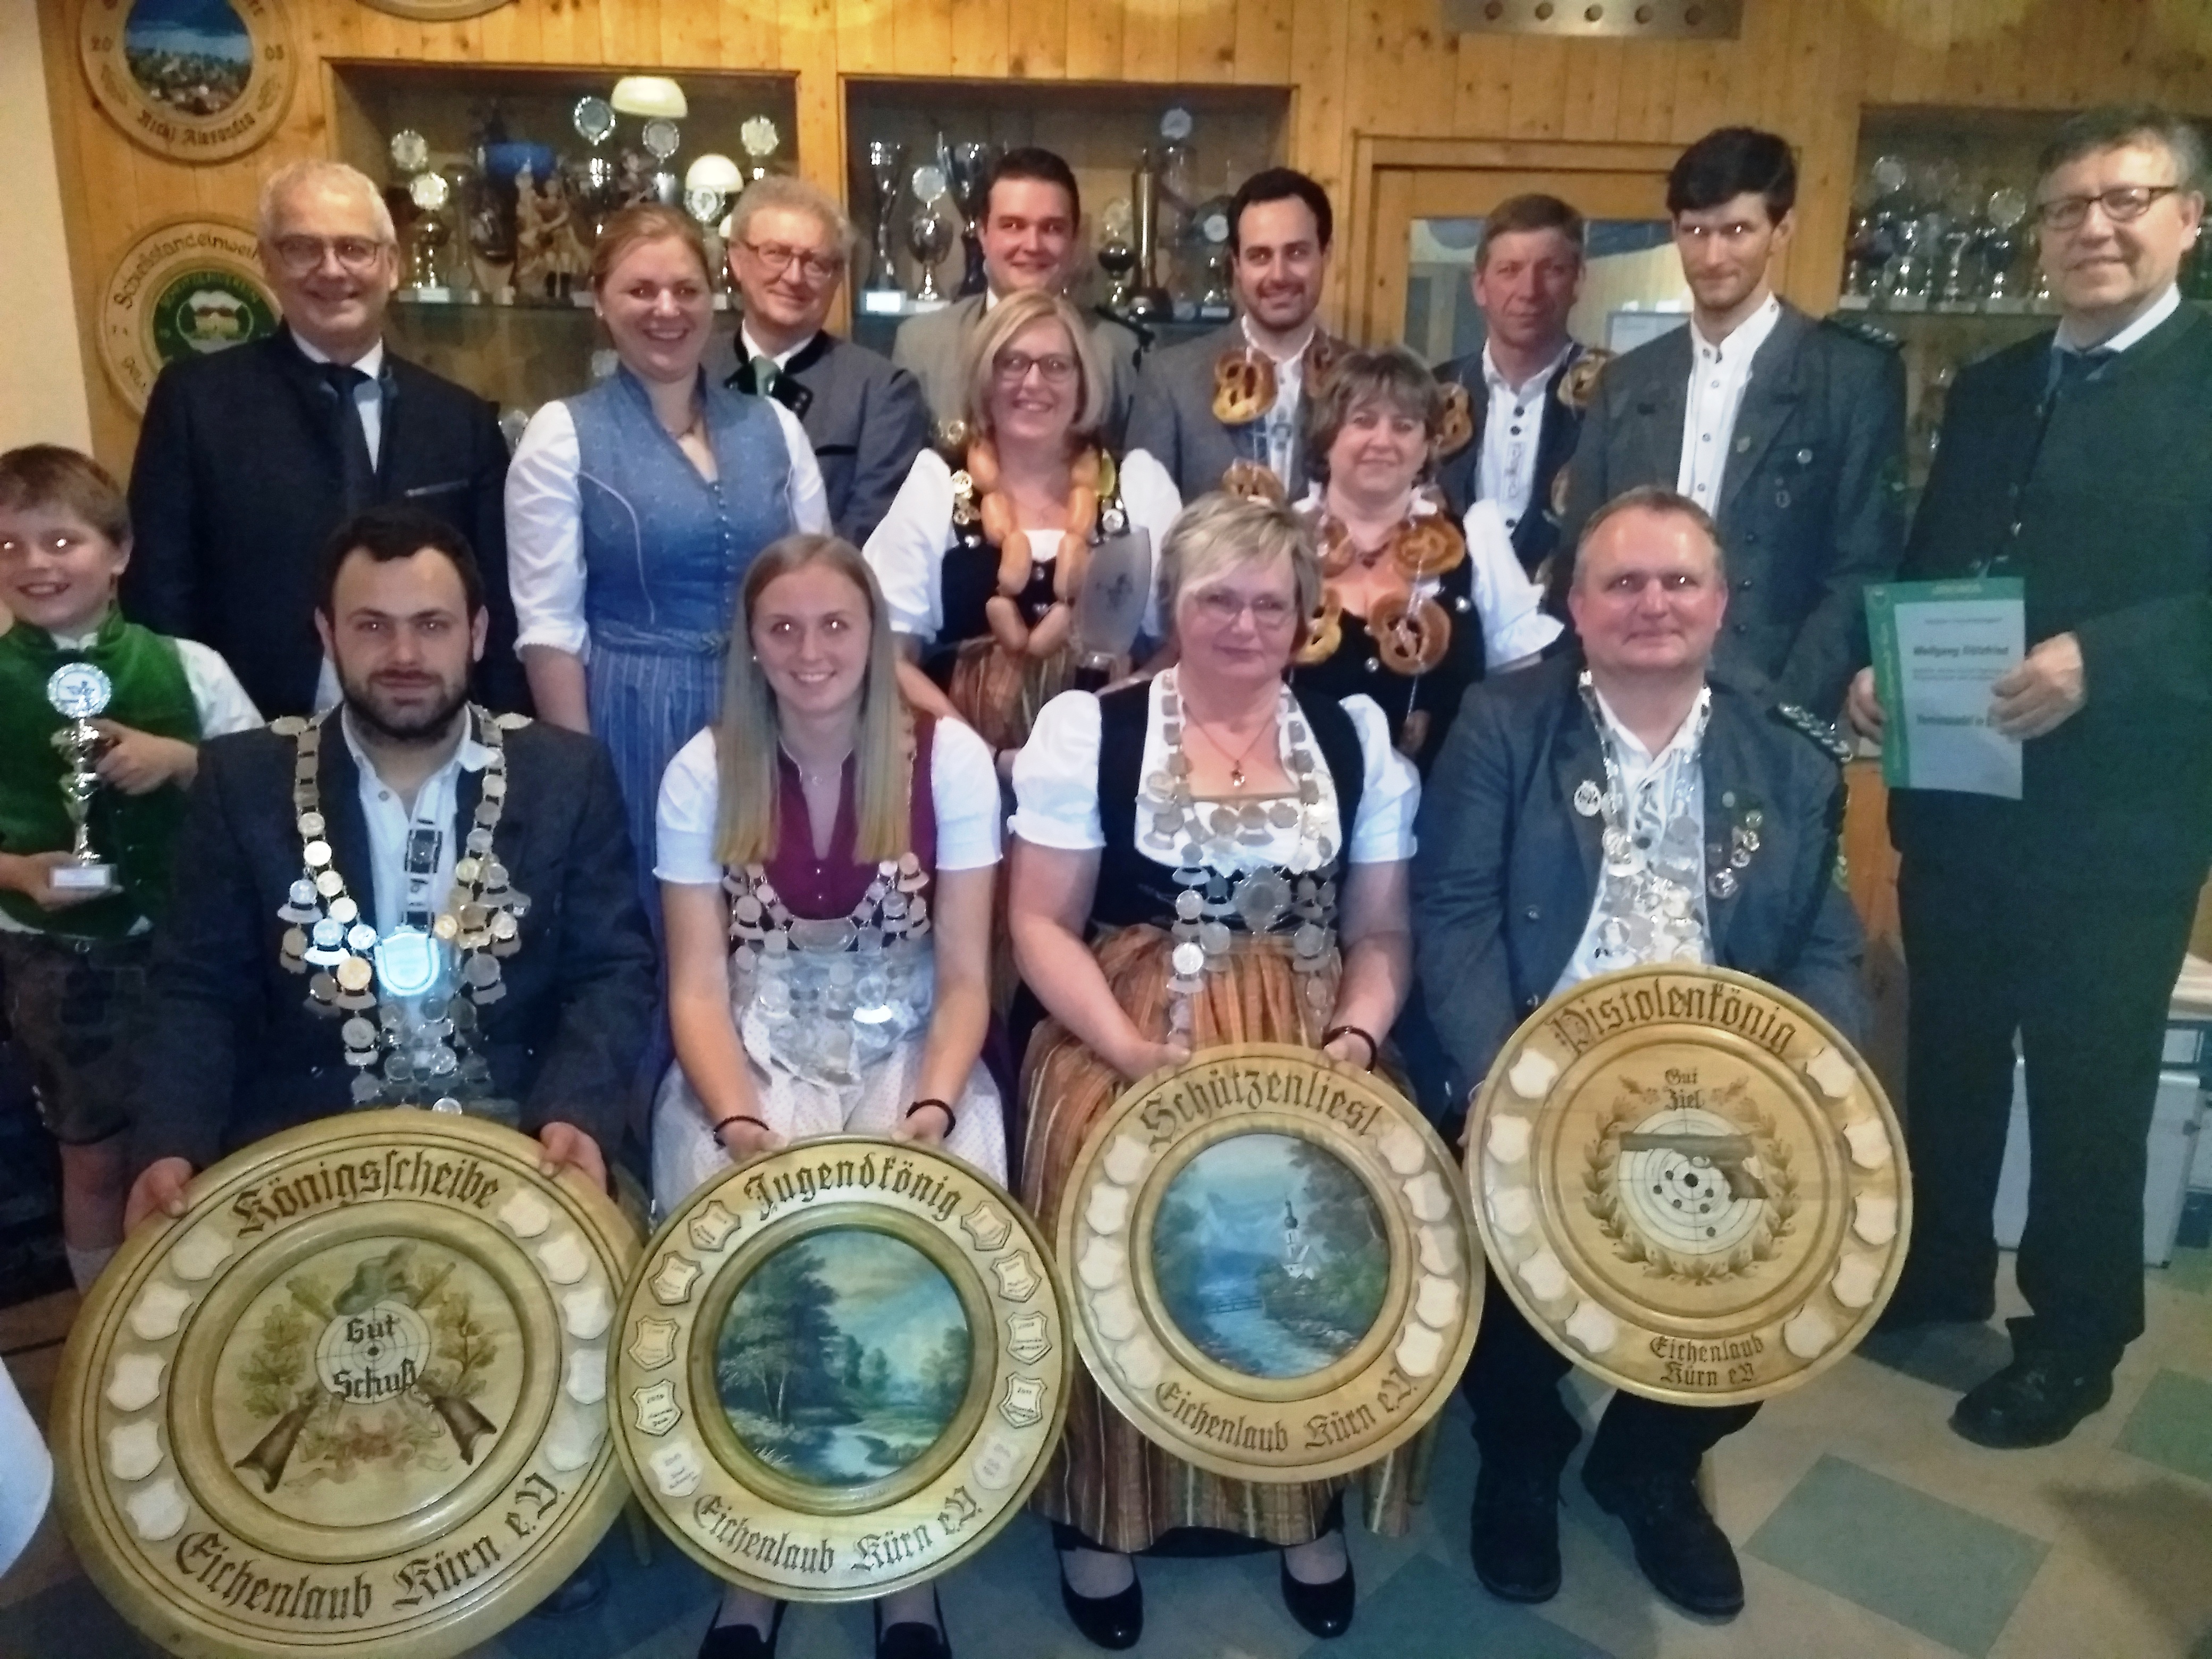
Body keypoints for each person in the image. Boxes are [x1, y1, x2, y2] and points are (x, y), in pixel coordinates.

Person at [1413, 487, 1864, 1621]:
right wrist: (1493, 1082)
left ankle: (1650, 1463)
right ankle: (1523, 1451)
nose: (1652, 603)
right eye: (1622, 582)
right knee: (1501, 1260)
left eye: (1678, 581)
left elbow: (1824, 945)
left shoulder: (1792, 756)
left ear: (1720, 601)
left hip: (1724, 1088)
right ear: (1576, 605)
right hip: (1538, 1062)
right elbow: (1454, 914)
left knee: (1797, 1267)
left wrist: (1817, 1098)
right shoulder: (1504, 724)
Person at [1847, 105, 2212, 1451]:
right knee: (1947, 1054)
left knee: (2085, 1085)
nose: (2092, 228)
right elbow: (1941, 555)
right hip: (1960, 798)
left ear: (2190, 218)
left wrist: (2102, 658)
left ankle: (2074, 1334)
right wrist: (1882, 660)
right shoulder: (1996, 386)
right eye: (2066, 207)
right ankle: (1941, 1266)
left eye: (2126, 199)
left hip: (2116, 822)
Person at [1008, 493, 1421, 1649]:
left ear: (1304, 616)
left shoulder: (1353, 737)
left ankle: (1299, 1500)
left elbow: (1383, 932)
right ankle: (1102, 1510)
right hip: (1131, 1016)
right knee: (1095, 1160)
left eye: (1269, 605)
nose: (1243, 625)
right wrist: (1127, 1048)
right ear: (1173, 607)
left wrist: (1355, 1043)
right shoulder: (1094, 733)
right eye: (1216, 600)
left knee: (1347, 1187)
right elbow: (1039, 923)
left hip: (1311, 1018)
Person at [652, 534, 998, 1659]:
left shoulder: (948, 762)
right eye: (786, 628)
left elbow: (965, 979)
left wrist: (932, 1113)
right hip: (750, 1049)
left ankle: (909, 1565)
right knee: (739, 1261)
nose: (812, 651)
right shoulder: (704, 770)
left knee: (927, 1259)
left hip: (915, 1043)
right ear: (751, 646)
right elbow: (697, 984)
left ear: (875, 636)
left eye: (837, 625)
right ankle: (753, 1563)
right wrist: (738, 1121)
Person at [123, 504, 654, 1235]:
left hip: (521, 1139)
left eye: (432, 625)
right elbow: (196, 987)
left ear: (477, 633)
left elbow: (612, 971)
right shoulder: (244, 780)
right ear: (327, 634)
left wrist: (576, 1112)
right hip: (306, 1155)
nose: (404, 654)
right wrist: (172, 1143)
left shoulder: (565, 774)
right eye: (372, 625)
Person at [506, 205, 831, 930]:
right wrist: (581, 780)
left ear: (714, 298)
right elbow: (550, 629)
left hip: (767, 710)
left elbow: (820, 585)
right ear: (600, 302)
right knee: (652, 920)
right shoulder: (562, 435)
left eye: (686, 290)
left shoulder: (775, 426)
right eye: (640, 290)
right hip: (633, 717)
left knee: (770, 913)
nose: (666, 309)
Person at [124, 160, 525, 718]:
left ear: (392, 266)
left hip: (430, 728)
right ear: (267, 263)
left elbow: (495, 601)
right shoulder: (197, 404)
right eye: (302, 249)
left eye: (354, 249)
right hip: (252, 729)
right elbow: (159, 593)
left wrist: (508, 736)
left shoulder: (460, 419)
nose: (331, 270)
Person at [0, 446, 260, 1292]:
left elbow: (269, 791)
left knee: (212, 1143)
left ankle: (220, 1311)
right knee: (94, 1159)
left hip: (195, 951)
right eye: (9, 546)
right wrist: (18, 874)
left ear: (119, 553)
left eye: (61, 541)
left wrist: (182, 760)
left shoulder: (191, 666)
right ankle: (104, 1330)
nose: (35, 563)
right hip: (59, 961)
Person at [1561, 128, 1907, 718]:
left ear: (1782, 230)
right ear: (1674, 231)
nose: (1713, 256)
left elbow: (1860, 570)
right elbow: (1581, 556)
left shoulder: (1850, 376)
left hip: (1780, 702)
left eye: (1737, 231)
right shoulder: (1627, 381)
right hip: (1626, 702)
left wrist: (1785, 715)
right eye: (1696, 232)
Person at [866, 290, 1181, 759]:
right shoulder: (936, 483)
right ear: (984, 379)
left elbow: (1185, 640)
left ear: (1083, 384)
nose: (1033, 382)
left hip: (1113, 758)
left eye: (1056, 366)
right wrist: (981, 760)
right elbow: (890, 655)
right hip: (962, 768)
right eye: (1012, 363)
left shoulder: (1138, 483)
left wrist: (1114, 720)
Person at [1289, 346, 1561, 773]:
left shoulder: (1477, 543)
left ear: (1426, 448)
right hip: (1299, 797)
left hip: (1446, 800)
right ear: (1327, 438)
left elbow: (1523, 697)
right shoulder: (1277, 543)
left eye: (1404, 426)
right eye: (1363, 421)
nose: (1383, 441)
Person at [706, 176, 932, 544]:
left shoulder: (882, 394)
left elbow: (870, 536)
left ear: (838, 277)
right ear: (737, 258)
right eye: (776, 253)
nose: (794, 277)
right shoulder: (690, 372)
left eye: (816, 263)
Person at [892, 148, 1142, 442]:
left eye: (1053, 228)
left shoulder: (1117, 353)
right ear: (982, 233)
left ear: (1075, 239)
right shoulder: (922, 347)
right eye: (1012, 226)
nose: (1033, 245)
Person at [1124, 168, 1341, 503]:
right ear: (1236, 265)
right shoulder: (1170, 380)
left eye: (1297, 253)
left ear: (1325, 254)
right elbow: (1143, 522)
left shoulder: (1363, 380)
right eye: (1260, 256)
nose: (1279, 275)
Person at [1432, 193, 1607, 585]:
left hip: (1573, 618)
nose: (1529, 290)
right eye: (1509, 270)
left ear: (1578, 281)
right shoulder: (1432, 393)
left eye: (1551, 270)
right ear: (1480, 286)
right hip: (1449, 616)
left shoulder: (1618, 392)